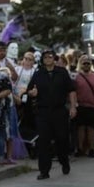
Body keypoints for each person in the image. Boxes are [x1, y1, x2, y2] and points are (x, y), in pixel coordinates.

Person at [26, 49, 77, 180]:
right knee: (43, 141)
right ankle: (44, 171)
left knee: (62, 139)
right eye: (45, 57)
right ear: (42, 60)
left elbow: (71, 90)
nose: (48, 59)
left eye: (50, 57)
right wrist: (32, 93)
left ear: (54, 59)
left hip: (59, 111)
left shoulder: (62, 72)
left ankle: (64, 162)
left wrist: (72, 107)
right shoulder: (38, 74)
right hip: (43, 112)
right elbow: (30, 90)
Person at [73, 56, 94, 157]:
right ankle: (80, 148)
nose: (86, 65)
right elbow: (74, 92)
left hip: (93, 106)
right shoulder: (76, 77)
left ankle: (91, 149)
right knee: (80, 128)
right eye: (84, 63)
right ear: (80, 64)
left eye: (88, 63)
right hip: (81, 106)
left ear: (91, 65)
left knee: (90, 129)